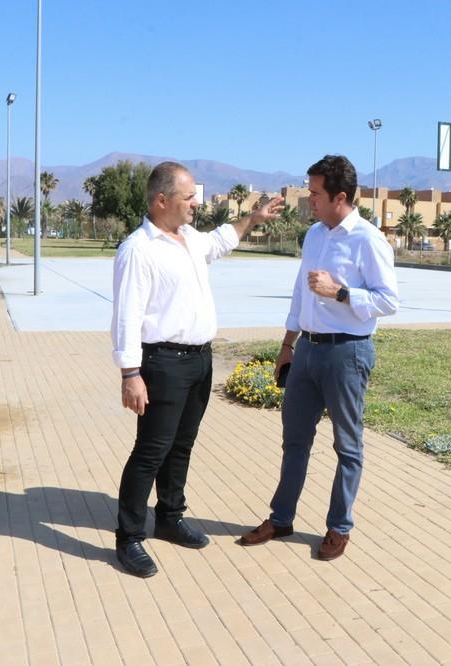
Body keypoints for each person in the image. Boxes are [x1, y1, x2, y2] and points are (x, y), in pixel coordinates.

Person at [112, 162, 282, 577]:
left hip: (198, 361)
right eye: (189, 197)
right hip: (163, 363)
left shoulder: (188, 238)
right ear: (162, 200)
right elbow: (127, 316)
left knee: (181, 445)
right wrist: (130, 374)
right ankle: (129, 538)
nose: (196, 204)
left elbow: (222, 241)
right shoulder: (139, 249)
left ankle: (169, 517)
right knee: (151, 452)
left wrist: (253, 218)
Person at [240, 155, 399, 561]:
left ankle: (338, 527)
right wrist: (287, 344)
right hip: (307, 350)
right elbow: (299, 294)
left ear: (339, 196)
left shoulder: (368, 239)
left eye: (314, 193)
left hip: (347, 353)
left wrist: (340, 292)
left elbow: (388, 302)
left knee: (347, 446)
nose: (308, 199)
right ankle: (281, 518)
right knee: (294, 441)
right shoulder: (314, 235)